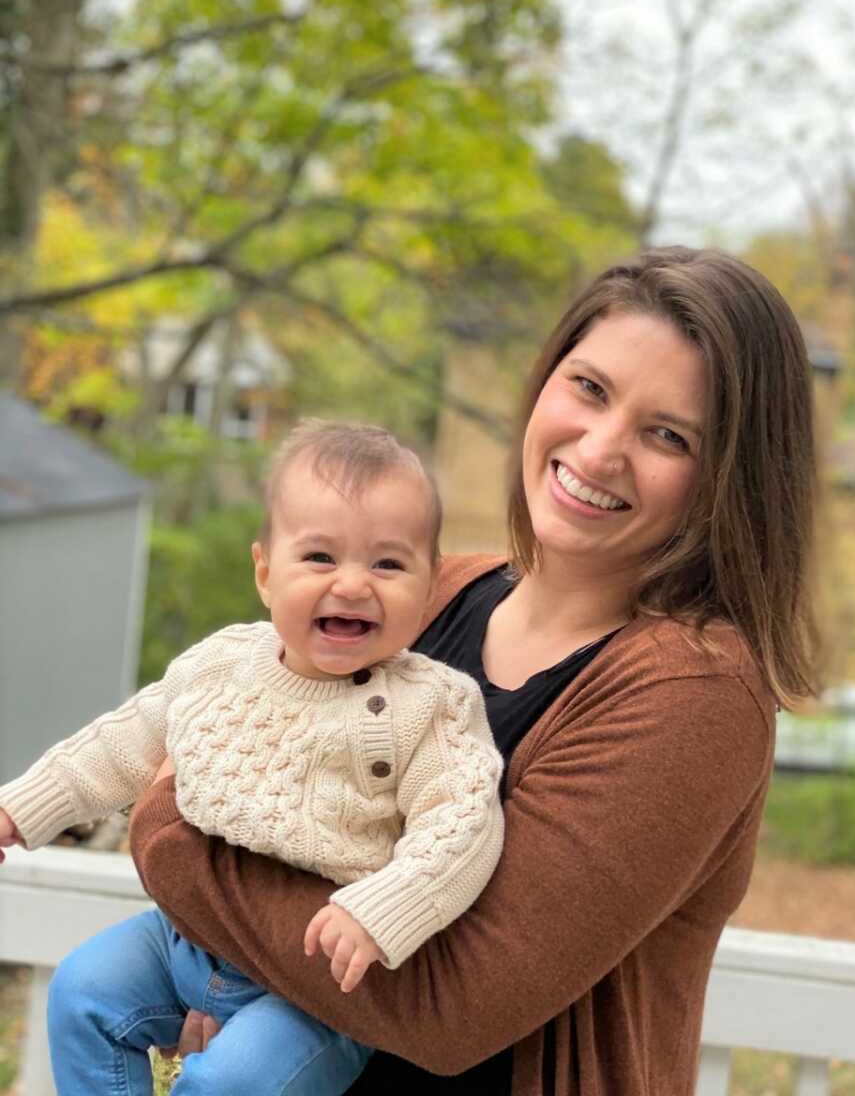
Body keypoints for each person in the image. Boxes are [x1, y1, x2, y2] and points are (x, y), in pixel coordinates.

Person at [128, 245, 820, 1096]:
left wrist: (168, 832)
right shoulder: (432, 590)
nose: (599, 450)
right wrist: (246, 986)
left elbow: (449, 1004)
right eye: (589, 389)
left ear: (729, 479)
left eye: (667, 435)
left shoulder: (693, 693)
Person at [0, 420, 505, 1096]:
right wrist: (19, 807)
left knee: (232, 1082)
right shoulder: (221, 665)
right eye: (321, 557)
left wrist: (385, 907)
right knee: (83, 992)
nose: (353, 584)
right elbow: (121, 742)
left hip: (317, 989)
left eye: (388, 564)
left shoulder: (431, 705)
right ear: (266, 571)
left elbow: (465, 819)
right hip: (182, 939)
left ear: (427, 585)